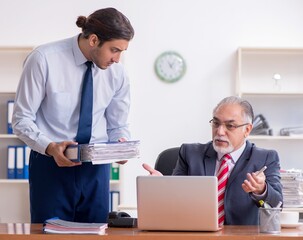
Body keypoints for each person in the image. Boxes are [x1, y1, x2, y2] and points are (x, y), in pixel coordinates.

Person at [12, 8, 134, 223]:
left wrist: (121, 143)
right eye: (114, 50)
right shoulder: (43, 59)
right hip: (51, 164)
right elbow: (21, 119)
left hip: (96, 169)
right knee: (48, 234)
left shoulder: (118, 73)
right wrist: (51, 147)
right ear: (94, 40)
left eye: (122, 51)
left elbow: (117, 125)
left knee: (97, 233)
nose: (117, 59)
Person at [143, 96, 283, 225]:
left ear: (247, 129)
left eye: (230, 126)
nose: (220, 131)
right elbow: (175, 200)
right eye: (216, 123)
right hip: (196, 234)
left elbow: (278, 205)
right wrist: (161, 187)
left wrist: (261, 190)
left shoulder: (265, 158)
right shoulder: (189, 153)